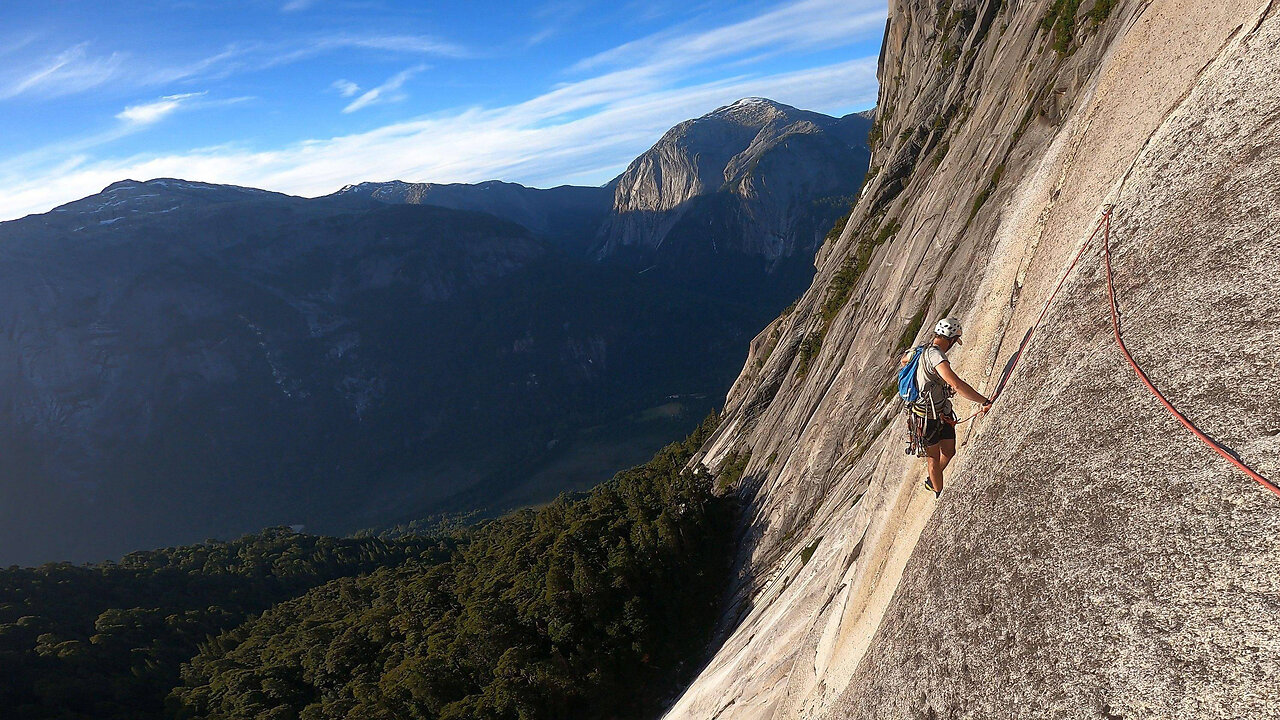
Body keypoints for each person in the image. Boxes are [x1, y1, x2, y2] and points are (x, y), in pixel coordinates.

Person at [914, 317, 992, 497]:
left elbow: (904, 360)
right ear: (950, 339)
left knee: (949, 451)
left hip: (939, 411)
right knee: (933, 457)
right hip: (926, 417)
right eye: (954, 342)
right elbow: (956, 384)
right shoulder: (936, 355)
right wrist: (984, 402)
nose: (953, 345)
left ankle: (932, 480)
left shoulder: (920, 350)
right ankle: (938, 492)